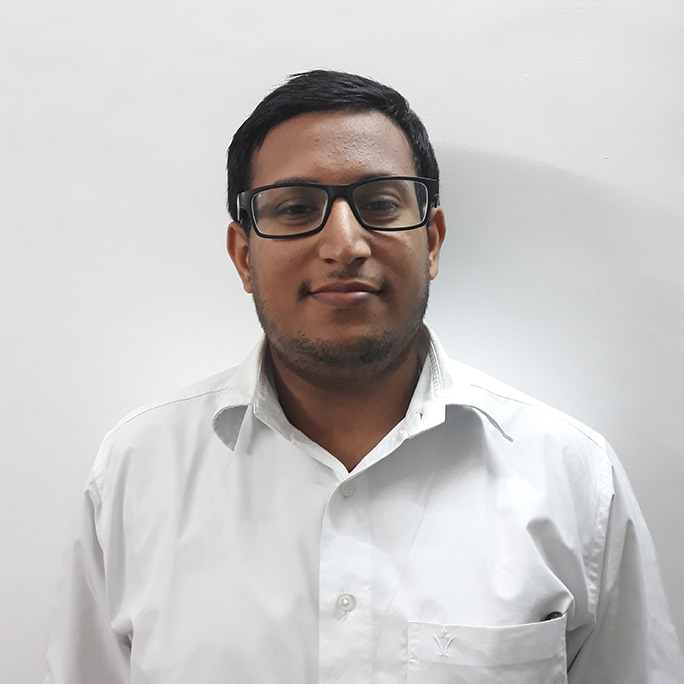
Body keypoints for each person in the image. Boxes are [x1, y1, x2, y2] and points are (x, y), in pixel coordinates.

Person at [45, 70, 683, 683]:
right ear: (243, 256)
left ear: (432, 242)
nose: (344, 244)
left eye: (379, 203)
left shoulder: (571, 477)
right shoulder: (137, 473)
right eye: (296, 208)